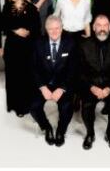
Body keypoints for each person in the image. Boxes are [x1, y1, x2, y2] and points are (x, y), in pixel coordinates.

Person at [74, 14, 110, 150]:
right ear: (93, 27)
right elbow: (79, 72)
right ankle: (90, 134)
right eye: (99, 25)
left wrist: (109, 88)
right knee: (86, 106)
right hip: (91, 85)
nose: (102, 29)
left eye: (105, 25)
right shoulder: (84, 45)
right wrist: (92, 87)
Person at [32, 16, 77, 146]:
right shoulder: (38, 43)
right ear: (46, 29)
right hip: (44, 84)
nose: (54, 31)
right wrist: (42, 87)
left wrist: (61, 88)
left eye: (57, 28)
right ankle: (46, 128)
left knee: (66, 107)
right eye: (51, 29)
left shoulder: (71, 43)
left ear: (62, 29)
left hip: (63, 84)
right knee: (32, 106)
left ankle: (61, 130)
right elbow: (33, 68)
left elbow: (73, 70)